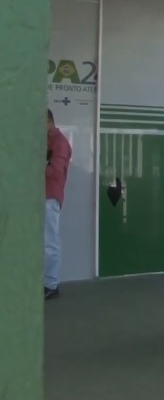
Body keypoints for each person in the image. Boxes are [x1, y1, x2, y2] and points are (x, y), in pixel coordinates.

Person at [45, 109, 72, 300]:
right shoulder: (46, 141)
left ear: (48, 121)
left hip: (50, 197)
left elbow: (54, 172)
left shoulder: (59, 142)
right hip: (41, 197)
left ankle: (51, 284)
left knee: (49, 242)